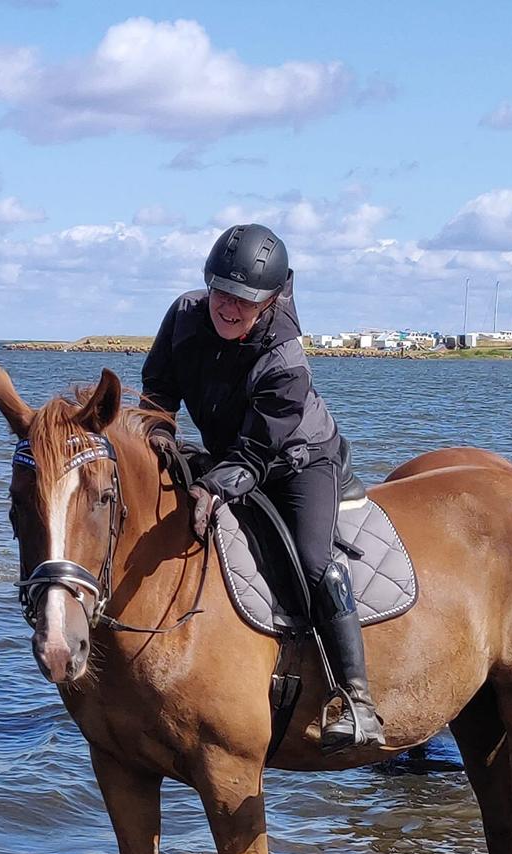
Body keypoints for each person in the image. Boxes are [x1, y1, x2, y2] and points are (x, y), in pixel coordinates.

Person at [140, 223, 384, 750]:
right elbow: (158, 391)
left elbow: (255, 457)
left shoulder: (284, 359)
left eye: (244, 302)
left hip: (297, 461)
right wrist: (159, 437)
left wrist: (212, 487)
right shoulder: (184, 314)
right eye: (222, 294)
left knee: (314, 560)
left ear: (271, 300)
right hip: (234, 451)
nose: (229, 308)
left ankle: (357, 700)